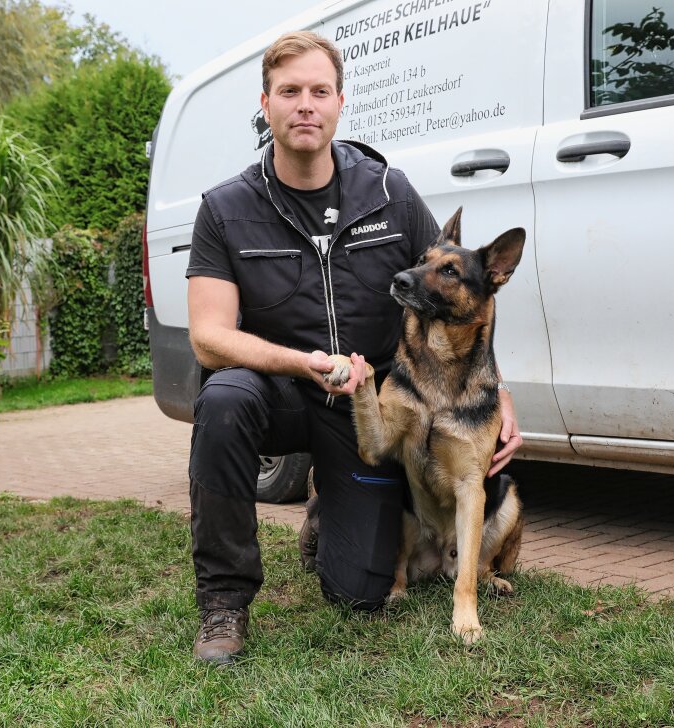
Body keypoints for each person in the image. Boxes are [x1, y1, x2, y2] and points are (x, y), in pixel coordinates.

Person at [184, 30, 522, 665]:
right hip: (279, 390)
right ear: (266, 104)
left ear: (340, 103)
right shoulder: (225, 209)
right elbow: (208, 338)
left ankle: (328, 513)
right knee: (223, 398)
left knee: (362, 590)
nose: (304, 105)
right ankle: (224, 603)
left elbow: (465, 290)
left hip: (368, 407)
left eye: (319, 91)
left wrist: (498, 395)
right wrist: (302, 363)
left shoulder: (390, 193)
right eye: (289, 92)